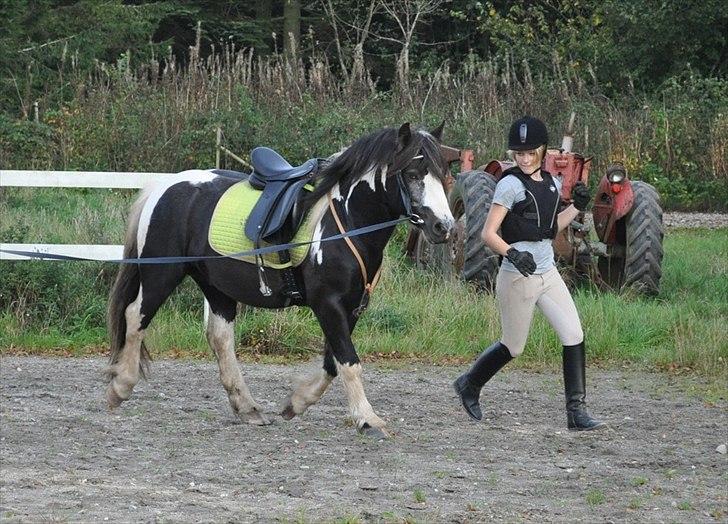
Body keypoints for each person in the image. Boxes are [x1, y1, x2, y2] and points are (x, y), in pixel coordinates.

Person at [453, 116, 604, 431]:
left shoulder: (551, 182)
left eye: (529, 152)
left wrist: (577, 206)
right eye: (518, 153)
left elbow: (549, 230)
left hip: (548, 273)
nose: (523, 158)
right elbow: (488, 233)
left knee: (574, 335)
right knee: (514, 346)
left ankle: (576, 413)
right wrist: (511, 252)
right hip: (517, 276)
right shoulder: (508, 184)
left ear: (542, 150)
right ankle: (469, 384)